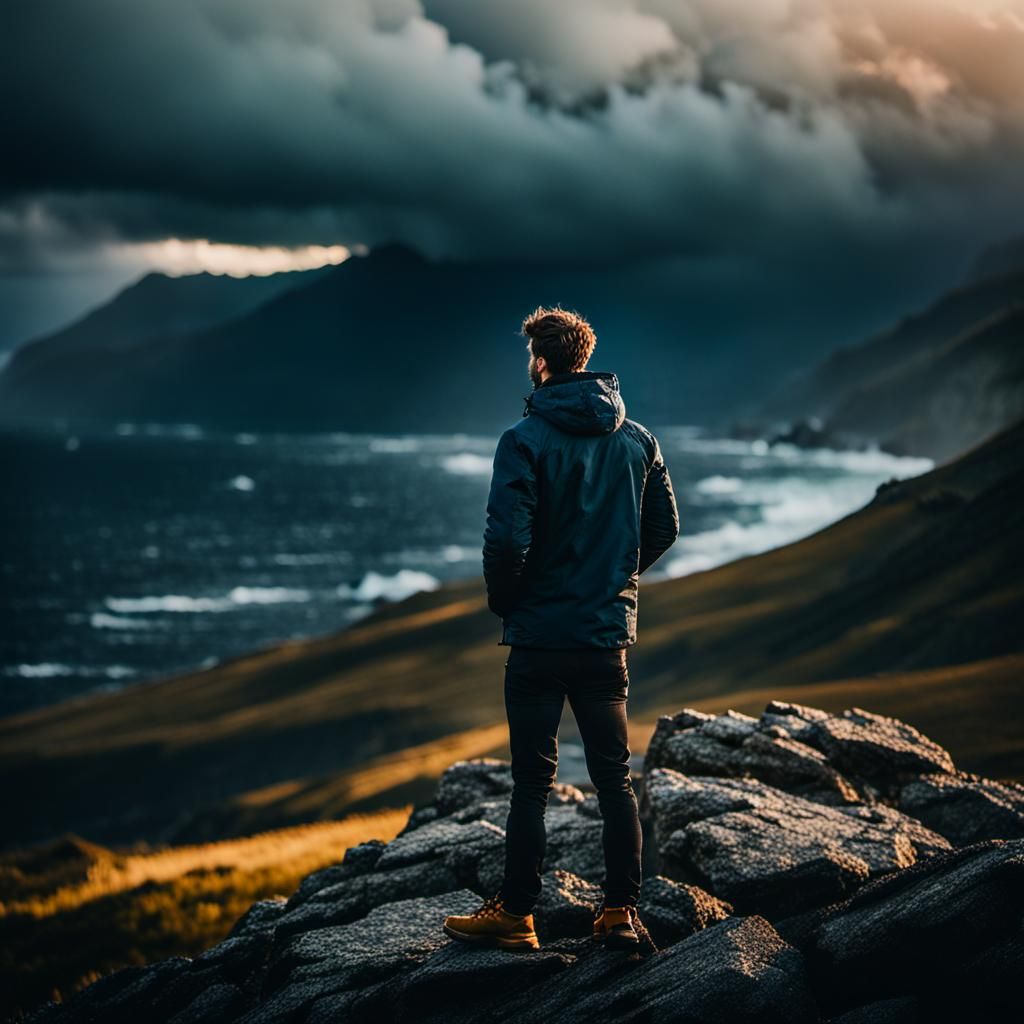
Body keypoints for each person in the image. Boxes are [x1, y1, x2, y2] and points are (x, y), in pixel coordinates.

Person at [443, 305, 680, 952]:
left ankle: (518, 915)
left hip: (540, 641)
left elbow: (505, 543)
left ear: (541, 363)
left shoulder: (522, 441)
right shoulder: (638, 440)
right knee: (613, 779)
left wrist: (508, 604)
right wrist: (612, 584)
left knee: (531, 782)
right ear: (586, 358)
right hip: (605, 639)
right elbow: (665, 530)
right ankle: (618, 913)